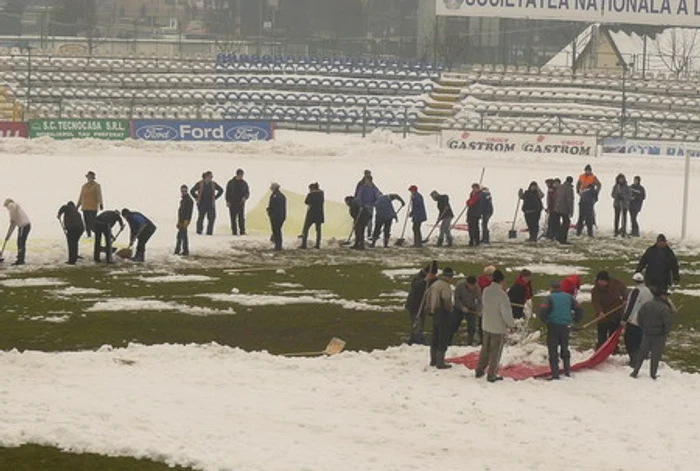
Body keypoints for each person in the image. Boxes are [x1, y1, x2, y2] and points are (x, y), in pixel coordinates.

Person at [539, 281, 583, 380]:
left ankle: (555, 374)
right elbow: (579, 308)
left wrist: (545, 321)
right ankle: (567, 371)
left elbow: (542, 311)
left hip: (553, 325)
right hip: (566, 326)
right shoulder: (569, 297)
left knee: (553, 350)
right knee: (565, 347)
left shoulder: (549, 298)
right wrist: (575, 320)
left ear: (551, 288)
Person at [476, 270, 514, 382]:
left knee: (485, 349)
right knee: (495, 352)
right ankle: (491, 374)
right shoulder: (502, 295)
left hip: (486, 324)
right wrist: (511, 324)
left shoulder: (486, 291)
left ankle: (479, 369)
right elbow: (505, 312)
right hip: (498, 327)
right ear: (502, 280)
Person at [630, 288, 673, 380]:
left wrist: (643, 328)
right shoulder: (664, 308)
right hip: (659, 335)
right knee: (655, 355)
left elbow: (639, 318)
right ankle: (653, 374)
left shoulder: (646, 305)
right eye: (666, 295)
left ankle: (635, 371)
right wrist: (666, 332)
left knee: (641, 353)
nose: (667, 297)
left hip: (646, 333)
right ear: (661, 296)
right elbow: (667, 323)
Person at [425, 267, 455, 369]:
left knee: (435, 336)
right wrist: (450, 310)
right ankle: (440, 362)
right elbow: (446, 299)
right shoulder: (445, 286)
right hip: (443, 313)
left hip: (434, 312)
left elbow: (428, 297)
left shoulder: (435, 284)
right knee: (443, 337)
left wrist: (430, 309)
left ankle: (433, 360)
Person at [622, 272, 654, 367]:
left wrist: (625, 319)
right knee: (640, 341)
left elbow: (631, 306)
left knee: (630, 342)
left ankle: (634, 361)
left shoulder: (636, 291)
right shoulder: (648, 291)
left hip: (634, 321)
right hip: (645, 321)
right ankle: (641, 358)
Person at [591, 271, 629, 350]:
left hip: (615, 313)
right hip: (603, 316)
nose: (600, 283)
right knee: (602, 335)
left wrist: (625, 299)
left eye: (602, 281)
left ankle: (613, 349)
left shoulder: (616, 284)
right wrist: (600, 312)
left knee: (613, 335)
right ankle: (600, 350)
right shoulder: (595, 290)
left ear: (607, 281)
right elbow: (596, 303)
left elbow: (624, 291)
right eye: (599, 281)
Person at [405, 264, 436, 345]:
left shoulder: (433, 280)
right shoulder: (417, 278)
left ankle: (412, 342)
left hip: (422, 306)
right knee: (417, 325)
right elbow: (416, 286)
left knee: (419, 325)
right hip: (415, 306)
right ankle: (420, 344)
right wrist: (425, 280)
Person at [450, 275, 482, 346]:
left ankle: (470, 342)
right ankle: (448, 341)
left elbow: (480, 301)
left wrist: (479, 310)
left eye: (474, 285)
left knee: (472, 326)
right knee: (453, 324)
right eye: (471, 285)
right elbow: (456, 298)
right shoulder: (460, 285)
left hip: (471, 308)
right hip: (459, 308)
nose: (472, 287)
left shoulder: (477, 288)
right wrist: (462, 307)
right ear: (467, 283)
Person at [190, 171, 224, 235]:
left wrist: (215, 197)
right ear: (206, 177)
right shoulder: (200, 183)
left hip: (211, 204)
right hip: (202, 204)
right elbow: (192, 191)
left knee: (212, 218)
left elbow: (221, 190)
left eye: (211, 177)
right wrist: (196, 197)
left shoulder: (213, 184)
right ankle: (199, 231)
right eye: (210, 176)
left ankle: (209, 232)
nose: (211, 178)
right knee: (201, 218)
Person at [576, 164, 602, 237]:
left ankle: (589, 233)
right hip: (582, 198)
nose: (587, 172)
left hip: (590, 199)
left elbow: (599, 185)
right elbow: (578, 184)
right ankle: (578, 232)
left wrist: (595, 193)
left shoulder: (593, 177)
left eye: (588, 170)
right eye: (586, 170)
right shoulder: (581, 176)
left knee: (589, 217)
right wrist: (578, 191)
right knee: (581, 217)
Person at [3, 199, 31, 266]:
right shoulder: (15, 208)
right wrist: (8, 236)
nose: (7, 208)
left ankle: (20, 260)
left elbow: (13, 223)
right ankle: (20, 259)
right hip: (24, 226)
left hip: (23, 226)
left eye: (6, 207)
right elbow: (13, 224)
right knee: (20, 243)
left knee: (20, 243)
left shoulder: (11, 205)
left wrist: (8, 236)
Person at [77, 170, 103, 238]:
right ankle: (89, 236)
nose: (89, 178)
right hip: (85, 207)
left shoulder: (97, 186)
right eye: (88, 177)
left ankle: (98, 234)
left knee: (92, 223)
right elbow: (81, 196)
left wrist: (101, 203)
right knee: (86, 224)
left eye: (90, 177)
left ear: (93, 178)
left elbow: (99, 195)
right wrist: (77, 206)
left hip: (93, 208)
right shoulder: (84, 186)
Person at [225, 168, 250, 236]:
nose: (242, 176)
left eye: (242, 175)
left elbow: (247, 192)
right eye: (241, 175)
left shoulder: (244, 183)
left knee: (241, 218)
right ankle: (234, 231)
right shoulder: (231, 182)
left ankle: (242, 231)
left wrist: (245, 197)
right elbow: (227, 192)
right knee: (233, 218)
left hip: (241, 203)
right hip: (232, 203)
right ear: (238, 175)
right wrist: (227, 201)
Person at [355, 175, 381, 239]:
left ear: (370, 180)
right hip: (363, 207)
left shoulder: (374, 188)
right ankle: (361, 236)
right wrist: (360, 205)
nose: (366, 182)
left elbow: (378, 196)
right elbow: (359, 197)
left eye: (367, 180)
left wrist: (376, 203)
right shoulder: (362, 187)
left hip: (370, 206)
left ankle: (369, 235)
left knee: (369, 221)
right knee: (362, 221)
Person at [301, 182, 324, 249]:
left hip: (311, 213)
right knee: (318, 230)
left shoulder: (311, 194)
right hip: (319, 213)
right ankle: (317, 244)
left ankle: (304, 244)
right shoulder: (321, 194)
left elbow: (306, 202)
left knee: (306, 229)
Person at [553, 177, 574, 244]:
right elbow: (570, 200)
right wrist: (571, 211)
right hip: (564, 209)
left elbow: (555, 197)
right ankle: (563, 239)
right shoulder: (569, 189)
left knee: (558, 223)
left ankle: (557, 236)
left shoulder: (560, 187)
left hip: (557, 208)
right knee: (566, 223)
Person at [267, 183, 286, 251]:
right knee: (277, 230)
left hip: (275, 216)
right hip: (281, 216)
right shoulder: (282, 196)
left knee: (276, 230)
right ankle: (277, 244)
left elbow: (273, 206)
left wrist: (269, 211)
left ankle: (278, 245)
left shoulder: (274, 196)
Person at [175, 184, 194, 256]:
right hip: (181, 220)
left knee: (182, 236)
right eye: (182, 191)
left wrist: (187, 220)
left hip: (185, 221)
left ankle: (183, 250)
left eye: (185, 191)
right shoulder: (183, 200)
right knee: (180, 236)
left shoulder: (189, 200)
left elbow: (189, 212)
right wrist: (179, 221)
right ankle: (181, 250)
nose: (183, 192)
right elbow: (180, 211)